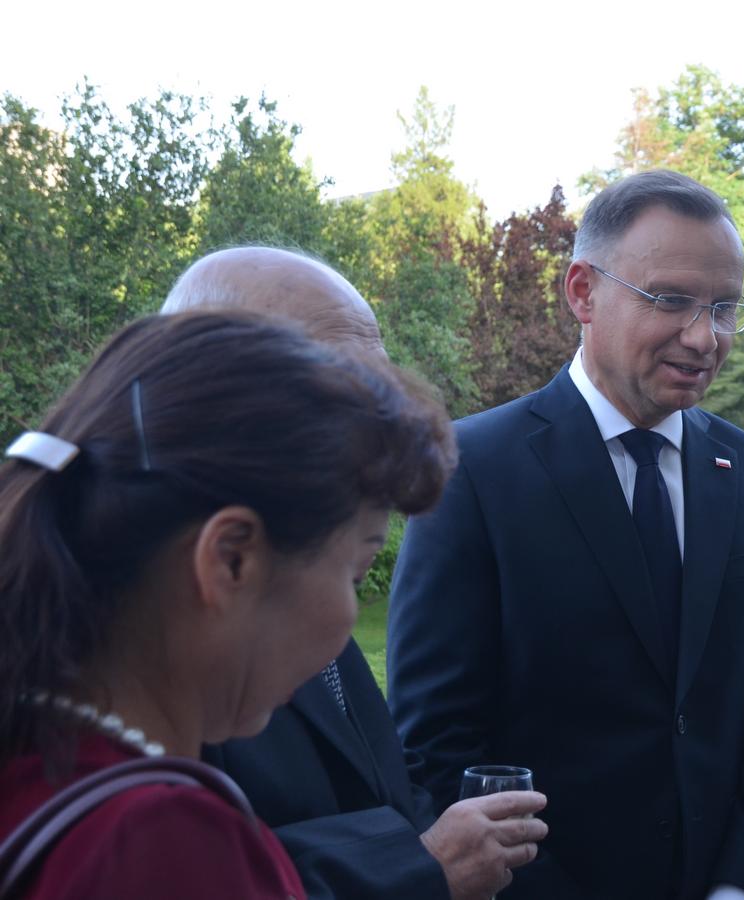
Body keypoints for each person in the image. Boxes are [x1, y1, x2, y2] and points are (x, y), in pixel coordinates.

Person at [387, 169, 744, 900]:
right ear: (583, 292)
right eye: (672, 300)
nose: (705, 337)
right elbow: (435, 743)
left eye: (724, 308)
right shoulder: (473, 470)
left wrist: (739, 887)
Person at [0, 310, 457, 898]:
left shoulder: (35, 757)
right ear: (231, 559)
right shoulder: (163, 842)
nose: (349, 618)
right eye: (356, 570)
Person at [165, 247, 549, 900]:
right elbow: (175, 870)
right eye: (343, 389)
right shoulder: (124, 627)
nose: (378, 419)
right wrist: (423, 866)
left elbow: (383, 782)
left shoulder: (297, 551)